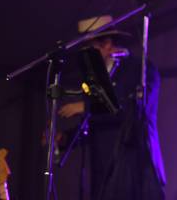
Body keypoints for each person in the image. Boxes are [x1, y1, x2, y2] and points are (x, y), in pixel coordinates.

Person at [57, 15, 165, 200]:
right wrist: (65, 138)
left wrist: (87, 106)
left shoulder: (140, 69)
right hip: (104, 172)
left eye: (89, 48)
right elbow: (94, 125)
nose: (85, 56)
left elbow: (134, 110)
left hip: (135, 167)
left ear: (106, 44)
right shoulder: (95, 78)